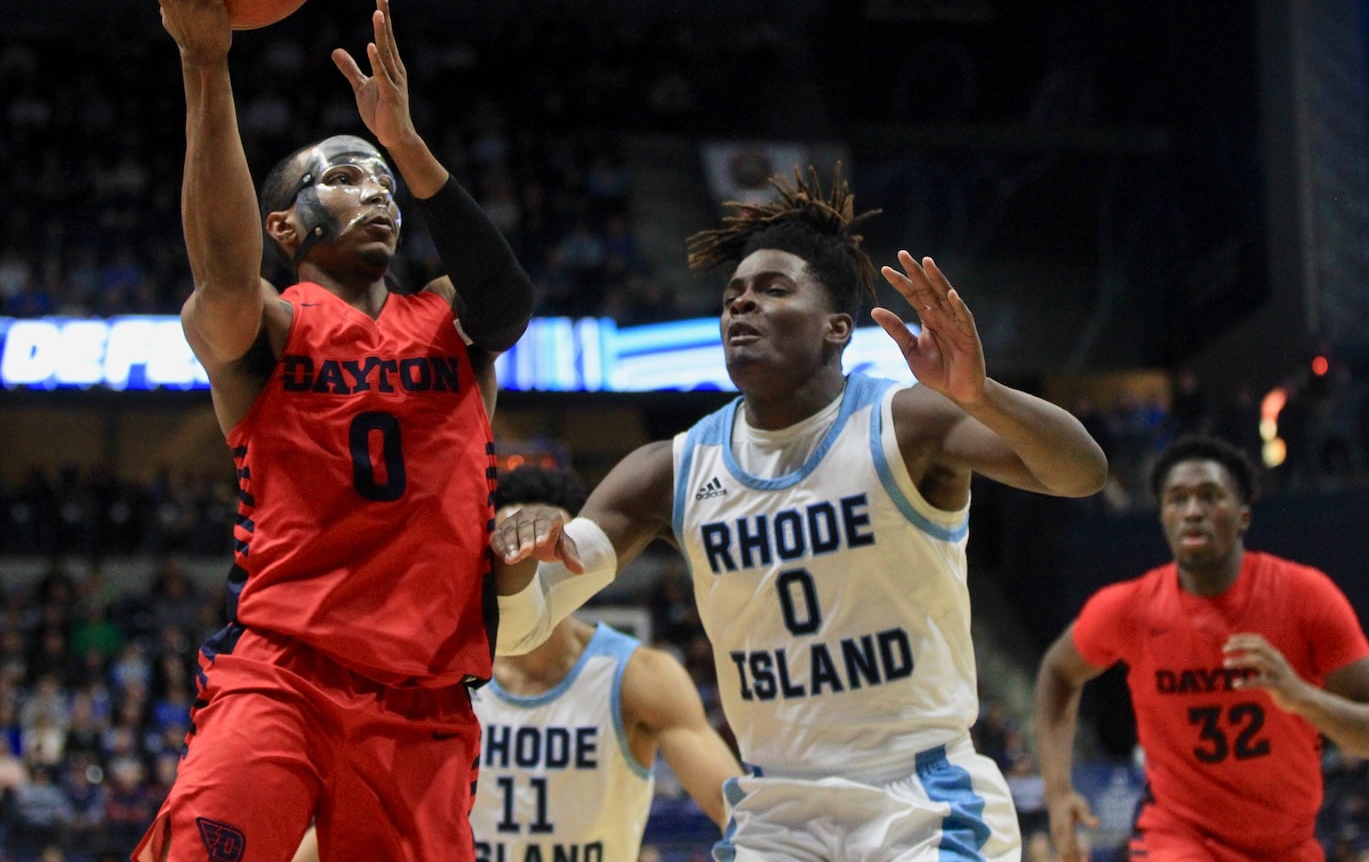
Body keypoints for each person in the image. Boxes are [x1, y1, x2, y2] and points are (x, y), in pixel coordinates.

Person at [492, 166, 1110, 860]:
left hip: (918, 798)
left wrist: (981, 393)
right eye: (732, 297)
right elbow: (521, 629)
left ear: (835, 327)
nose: (741, 307)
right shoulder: (667, 470)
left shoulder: (904, 423)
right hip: (775, 809)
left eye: (771, 290)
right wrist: (514, 565)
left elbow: (1079, 473)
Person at [138, 0, 535, 862]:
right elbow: (225, 276)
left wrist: (403, 143)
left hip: (425, 697)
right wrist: (205, 66)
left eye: (382, 180)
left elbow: (508, 300)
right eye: (347, 174)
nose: (378, 190)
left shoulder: (448, 316)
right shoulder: (264, 326)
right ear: (287, 226)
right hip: (281, 672)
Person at [291, 465, 742, 862]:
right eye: (511, 544)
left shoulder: (640, 678)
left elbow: (734, 810)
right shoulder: (439, 680)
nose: (525, 559)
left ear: (574, 558)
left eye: (543, 543)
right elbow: (363, 818)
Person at [1033, 433, 1369, 862]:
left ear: (1243, 516)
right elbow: (1058, 673)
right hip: (1178, 840)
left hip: (1286, 845)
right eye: (1177, 499)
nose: (1192, 511)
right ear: (1163, 517)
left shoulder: (1306, 598)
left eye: (1210, 497)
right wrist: (1058, 792)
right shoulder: (1131, 608)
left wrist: (1301, 697)